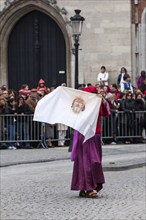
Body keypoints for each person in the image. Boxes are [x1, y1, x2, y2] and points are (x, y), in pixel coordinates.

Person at [70, 85, 110, 198]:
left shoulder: (97, 103)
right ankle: (89, 187)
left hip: (95, 135)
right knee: (89, 162)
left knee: (92, 161)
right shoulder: (81, 104)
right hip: (84, 135)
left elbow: (106, 113)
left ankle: (84, 187)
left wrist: (102, 100)